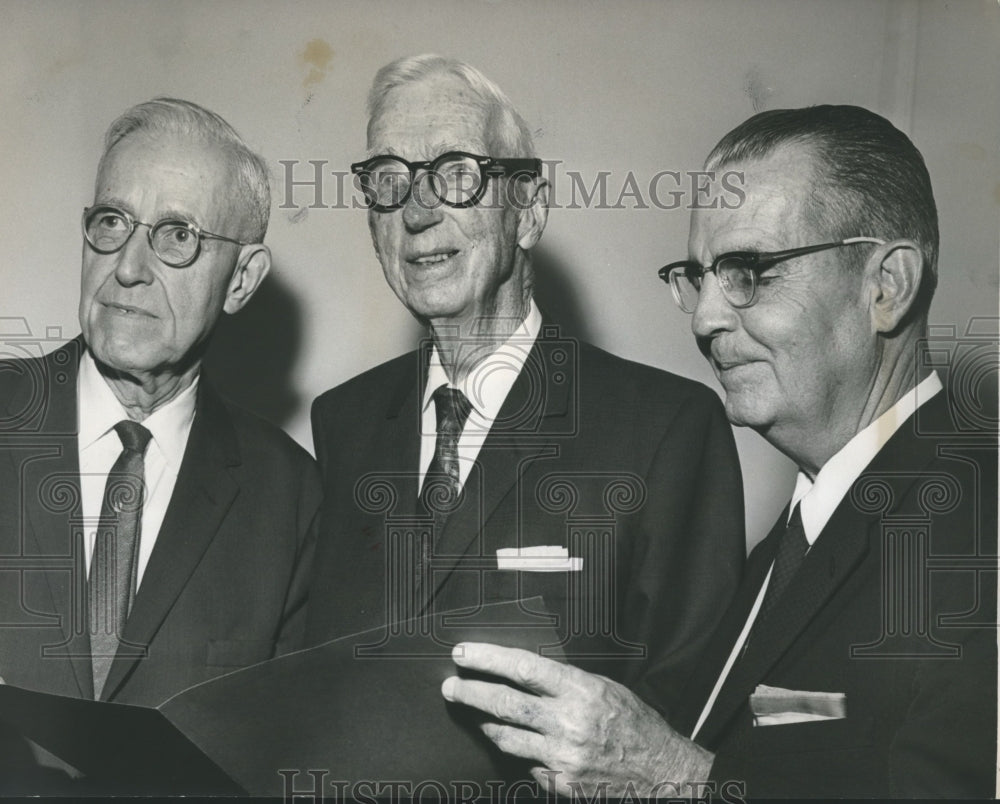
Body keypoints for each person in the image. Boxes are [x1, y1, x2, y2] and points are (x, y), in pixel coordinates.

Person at [441, 105, 997, 798]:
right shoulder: (794, 541)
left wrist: (674, 776)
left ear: (886, 287)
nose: (704, 319)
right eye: (697, 277)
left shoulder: (979, 534)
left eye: (749, 271)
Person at [306, 55, 744, 705]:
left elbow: (685, 724)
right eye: (389, 179)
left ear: (530, 210)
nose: (418, 212)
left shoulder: (665, 430)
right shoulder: (343, 422)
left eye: (456, 174)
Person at [0, 98, 319, 786]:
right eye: (112, 223)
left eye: (177, 236)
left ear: (241, 280)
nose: (129, 267)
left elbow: (288, 763)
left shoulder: (292, 498)